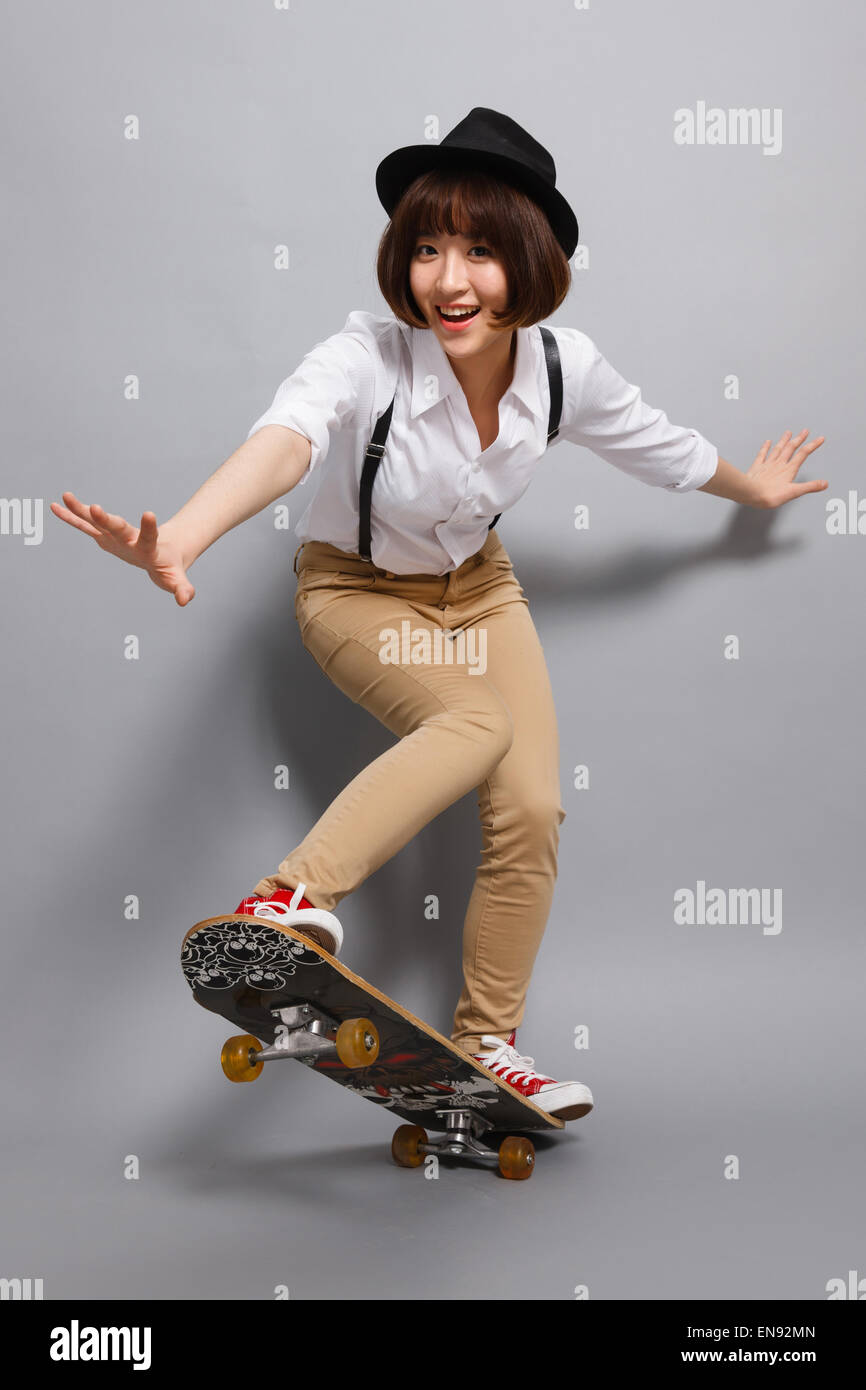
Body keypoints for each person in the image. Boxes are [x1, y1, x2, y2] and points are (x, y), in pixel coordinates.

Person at [51, 109, 826, 1122]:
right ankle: (286, 902)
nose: (447, 280)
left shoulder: (559, 369)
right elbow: (287, 437)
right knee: (470, 723)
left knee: (533, 807)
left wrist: (749, 489)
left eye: (479, 251)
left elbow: (662, 447)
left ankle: (487, 1044)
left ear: (531, 263)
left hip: (480, 587)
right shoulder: (364, 357)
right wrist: (184, 537)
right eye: (425, 248)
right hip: (356, 590)